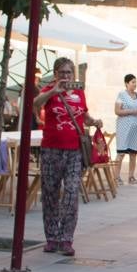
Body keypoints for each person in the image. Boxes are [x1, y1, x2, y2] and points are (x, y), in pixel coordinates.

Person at [34, 57, 100, 256]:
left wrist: (94, 121)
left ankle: (66, 238)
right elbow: (35, 104)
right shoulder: (49, 90)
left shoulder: (79, 92)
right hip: (51, 148)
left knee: (71, 193)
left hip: (74, 150)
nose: (65, 76)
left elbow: (83, 115)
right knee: (50, 193)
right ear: (55, 74)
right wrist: (53, 91)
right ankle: (52, 238)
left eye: (68, 72)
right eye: (62, 72)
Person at [113, 74, 137, 184]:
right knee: (121, 153)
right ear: (126, 83)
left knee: (133, 153)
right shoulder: (121, 95)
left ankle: (131, 176)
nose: (135, 84)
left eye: (135, 82)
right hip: (123, 127)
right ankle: (116, 177)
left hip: (135, 128)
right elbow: (117, 111)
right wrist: (132, 111)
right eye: (132, 82)